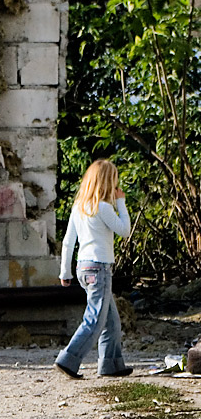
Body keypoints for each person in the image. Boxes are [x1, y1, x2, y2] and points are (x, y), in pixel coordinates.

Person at [54, 159, 132, 379]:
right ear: (108, 182)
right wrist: (121, 203)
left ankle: (111, 364)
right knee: (95, 319)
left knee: (111, 320)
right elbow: (124, 230)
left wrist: (64, 272)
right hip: (100, 268)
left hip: (83, 268)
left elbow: (69, 242)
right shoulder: (103, 207)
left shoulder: (79, 207)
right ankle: (68, 359)